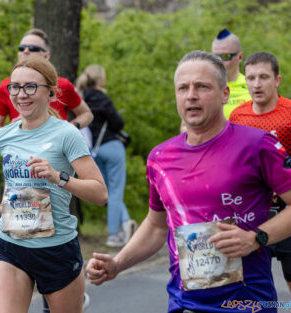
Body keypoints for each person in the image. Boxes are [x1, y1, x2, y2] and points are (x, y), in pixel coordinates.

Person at [86, 50, 291, 313]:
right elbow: (157, 225)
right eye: (183, 88)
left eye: (202, 86)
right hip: (185, 304)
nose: (191, 95)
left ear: (224, 94)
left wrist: (256, 238)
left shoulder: (257, 144)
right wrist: (117, 263)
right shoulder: (160, 157)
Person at [0, 56, 107, 313]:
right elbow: (15, 182)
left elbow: (100, 193)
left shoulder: (66, 134)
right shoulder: (5, 135)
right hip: (10, 244)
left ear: (50, 93)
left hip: (55, 249)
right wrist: (2, 207)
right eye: (15, 87)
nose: (21, 95)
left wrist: (58, 177)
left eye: (30, 87)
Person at [230, 52, 291, 292]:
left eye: (264, 77)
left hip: (286, 211)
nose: (256, 84)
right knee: (251, 284)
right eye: (251, 77)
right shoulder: (238, 116)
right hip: (252, 212)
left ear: (277, 80)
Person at [0, 28, 93, 140]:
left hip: (56, 151)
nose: (26, 51)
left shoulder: (62, 85)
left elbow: (86, 114)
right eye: (21, 48)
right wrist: (11, 130)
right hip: (22, 151)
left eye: (33, 48)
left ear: (46, 56)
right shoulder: (6, 86)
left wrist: (67, 129)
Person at [76, 64, 136, 248]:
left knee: (108, 191)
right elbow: (117, 123)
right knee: (116, 190)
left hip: (92, 150)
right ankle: (113, 235)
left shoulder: (80, 99)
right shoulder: (102, 98)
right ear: (100, 80)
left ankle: (126, 223)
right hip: (112, 146)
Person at [211, 28, 251, 119]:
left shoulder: (252, 86)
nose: (219, 61)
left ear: (240, 57)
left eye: (225, 56)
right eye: (215, 56)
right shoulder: (204, 85)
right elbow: (186, 125)